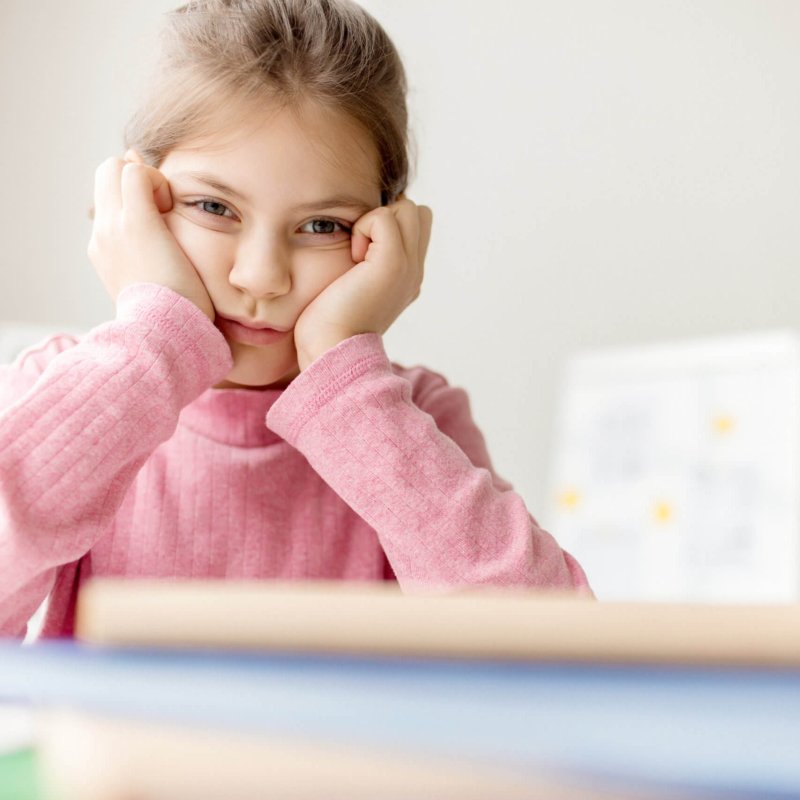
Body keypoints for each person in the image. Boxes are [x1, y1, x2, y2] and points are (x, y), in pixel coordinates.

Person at [0, 0, 590, 639]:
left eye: (322, 225)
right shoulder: (61, 389)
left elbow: (554, 650)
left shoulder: (411, 416)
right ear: (133, 203)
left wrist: (346, 378)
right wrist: (152, 346)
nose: (261, 276)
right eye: (214, 207)